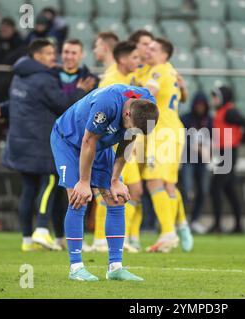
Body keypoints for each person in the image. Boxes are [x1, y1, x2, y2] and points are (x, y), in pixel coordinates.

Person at [0, 39, 93, 252]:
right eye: (49, 53)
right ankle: (42, 230)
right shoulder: (44, 79)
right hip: (40, 143)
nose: (54, 57)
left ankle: (27, 240)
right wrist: (80, 91)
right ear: (37, 56)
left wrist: (1, 108)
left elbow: (23, 103)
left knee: (28, 188)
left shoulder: (19, 76)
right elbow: (62, 104)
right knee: (52, 181)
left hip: (19, 142)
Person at [50, 84, 159, 281]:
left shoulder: (146, 104)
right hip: (70, 141)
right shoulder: (106, 104)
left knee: (116, 198)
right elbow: (87, 141)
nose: (132, 132)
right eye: (130, 126)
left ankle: (115, 267)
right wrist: (84, 182)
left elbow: (129, 138)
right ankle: (76, 267)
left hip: (99, 145)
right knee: (78, 198)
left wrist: (115, 180)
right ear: (126, 113)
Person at [85, 41, 143, 253]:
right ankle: (101, 239)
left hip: (128, 144)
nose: (138, 61)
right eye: (135, 57)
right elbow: (102, 112)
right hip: (114, 143)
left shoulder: (126, 80)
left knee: (134, 191)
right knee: (109, 191)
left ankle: (125, 236)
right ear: (123, 59)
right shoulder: (111, 81)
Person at [140, 38, 193, 252]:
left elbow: (148, 93)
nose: (149, 52)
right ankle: (177, 229)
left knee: (153, 181)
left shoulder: (158, 71)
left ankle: (169, 233)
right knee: (168, 185)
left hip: (162, 133)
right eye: (148, 48)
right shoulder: (171, 71)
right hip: (175, 130)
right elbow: (183, 96)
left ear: (164, 54)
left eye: (154, 49)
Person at [51, 38, 98, 249]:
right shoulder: (50, 76)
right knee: (55, 189)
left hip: (82, 144)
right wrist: (78, 91)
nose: (69, 56)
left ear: (81, 55)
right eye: (66, 52)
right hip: (58, 138)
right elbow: (56, 104)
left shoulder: (92, 80)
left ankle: (77, 238)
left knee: (81, 189)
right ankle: (58, 235)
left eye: (73, 53)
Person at [209, 86, 245, 234]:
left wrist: (242, 140)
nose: (213, 100)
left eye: (216, 96)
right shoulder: (223, 111)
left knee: (215, 187)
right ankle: (238, 226)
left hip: (228, 152)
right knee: (229, 189)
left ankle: (217, 225)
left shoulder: (229, 111)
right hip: (225, 152)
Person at [180, 92, 213, 234]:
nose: (200, 108)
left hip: (202, 161)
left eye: (203, 105)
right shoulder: (185, 119)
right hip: (187, 159)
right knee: (187, 191)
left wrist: (210, 150)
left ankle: (194, 220)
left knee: (203, 190)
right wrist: (194, 146)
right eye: (198, 105)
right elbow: (180, 138)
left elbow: (213, 138)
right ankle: (181, 220)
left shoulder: (209, 120)